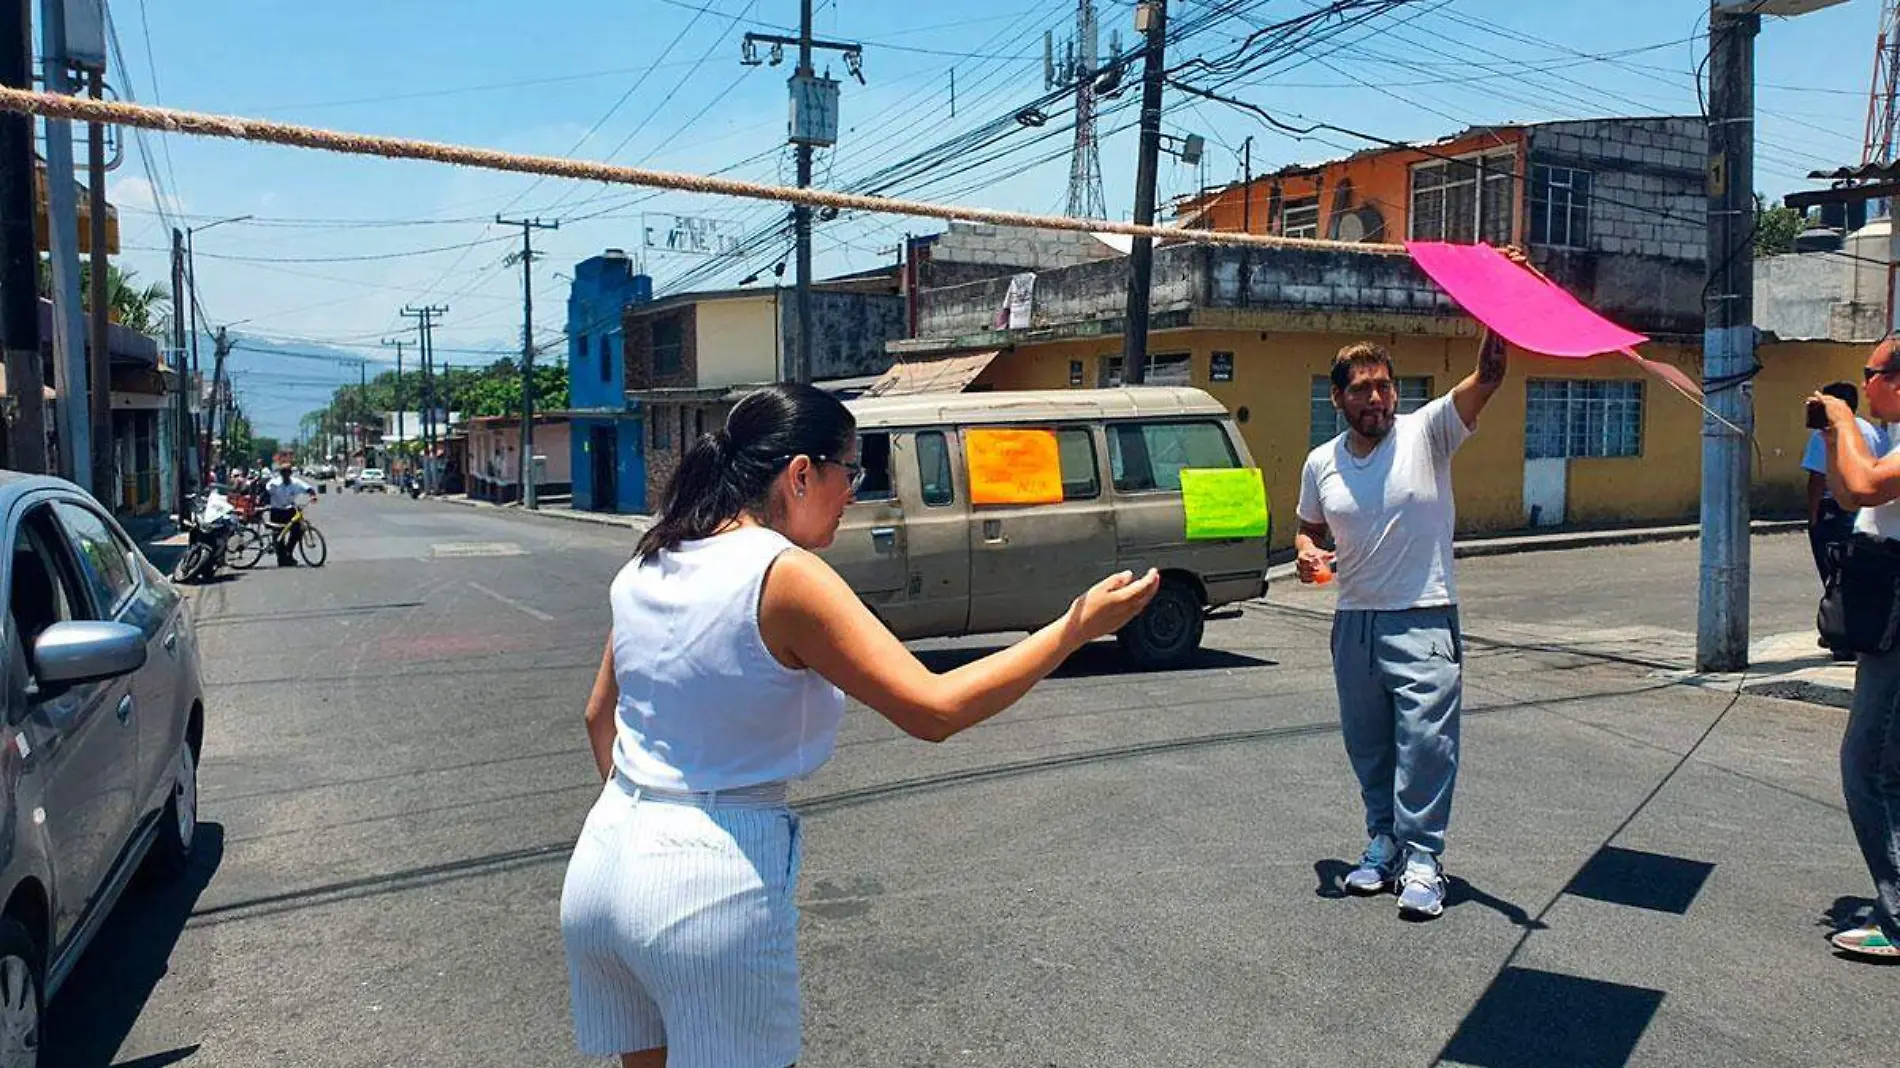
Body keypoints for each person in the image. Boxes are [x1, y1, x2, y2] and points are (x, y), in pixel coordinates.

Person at [559, 383, 1159, 1068]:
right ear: (802, 473)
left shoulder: (653, 556)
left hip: (604, 862)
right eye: (852, 469)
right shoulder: (783, 575)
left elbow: (597, 715)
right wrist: (1072, 630)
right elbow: (933, 709)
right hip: (703, 882)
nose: (854, 491)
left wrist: (648, 826)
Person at [1293, 331, 1508, 920]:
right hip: (1355, 621)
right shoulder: (1321, 463)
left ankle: (1423, 859)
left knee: (1426, 746)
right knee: (1370, 748)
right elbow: (1308, 529)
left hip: (1424, 616)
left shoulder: (1429, 431)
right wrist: (1307, 552)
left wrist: (1496, 312)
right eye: (1361, 389)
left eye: (1384, 386)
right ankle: (1383, 841)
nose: (1377, 399)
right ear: (1336, 399)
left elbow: (1488, 376)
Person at [1810, 337, 1900, 961]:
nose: (1863, 385)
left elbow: (1865, 489)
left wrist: (1843, 422)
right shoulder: (1888, 438)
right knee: (1888, 768)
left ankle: (1897, 918)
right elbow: (1847, 494)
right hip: (1884, 615)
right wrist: (1845, 431)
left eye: (1869, 374)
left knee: (1865, 765)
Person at [1803, 380, 1887, 661]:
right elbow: (1851, 496)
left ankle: (1841, 636)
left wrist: (1813, 514)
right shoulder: (1874, 432)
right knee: (1853, 573)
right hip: (1859, 512)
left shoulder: (1837, 433)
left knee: (1835, 575)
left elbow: (1818, 479)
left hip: (1836, 513)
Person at [265, 464, 311, 566]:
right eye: (283, 473)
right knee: (278, 535)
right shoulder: (274, 483)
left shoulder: (296, 482)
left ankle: (288, 552)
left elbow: (307, 488)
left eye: (288, 472)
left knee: (298, 530)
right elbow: (266, 490)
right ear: (281, 474)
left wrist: (313, 495)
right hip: (277, 510)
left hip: (290, 510)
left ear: (290, 473)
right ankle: (282, 559)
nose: (286, 475)